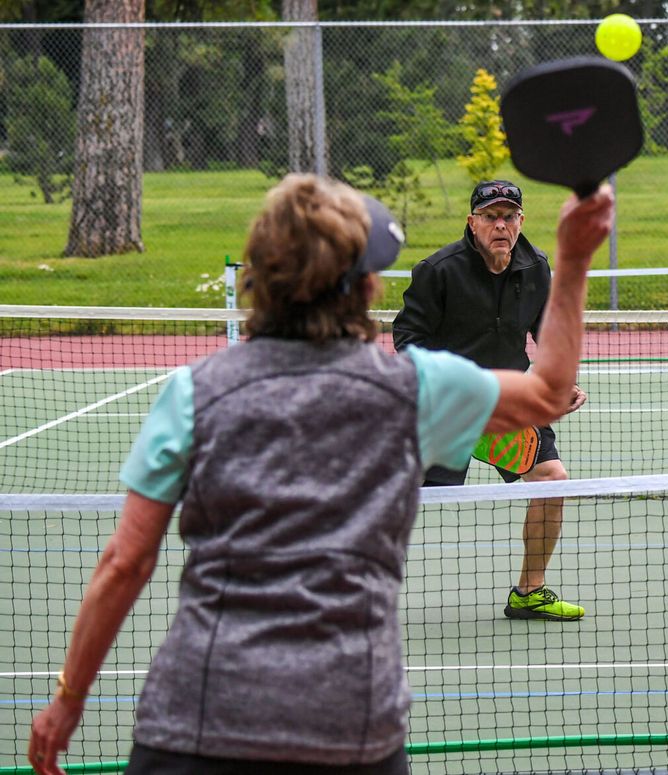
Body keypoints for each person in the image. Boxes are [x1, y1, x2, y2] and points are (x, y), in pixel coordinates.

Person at [27, 173, 615, 774]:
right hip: (351, 726)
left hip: (196, 720)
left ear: (260, 276)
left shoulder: (191, 394)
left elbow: (124, 564)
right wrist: (573, 258)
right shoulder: (414, 393)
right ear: (365, 287)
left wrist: (69, 700)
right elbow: (548, 390)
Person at [393, 180, 587, 622]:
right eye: (490, 216)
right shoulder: (438, 270)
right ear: (472, 221)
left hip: (506, 403)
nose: (500, 224)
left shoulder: (536, 268)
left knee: (553, 480)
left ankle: (529, 592)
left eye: (508, 216)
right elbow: (407, 339)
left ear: (520, 221)